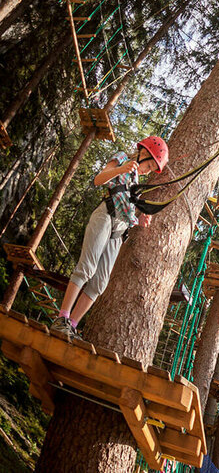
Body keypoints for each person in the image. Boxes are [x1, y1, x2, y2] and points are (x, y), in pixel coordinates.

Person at [50, 136, 168, 339]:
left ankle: (72, 325)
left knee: (100, 283)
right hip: (105, 215)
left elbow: (128, 208)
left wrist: (139, 220)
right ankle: (62, 318)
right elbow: (99, 179)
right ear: (143, 153)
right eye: (148, 165)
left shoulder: (136, 180)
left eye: (150, 169)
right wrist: (122, 169)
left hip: (119, 230)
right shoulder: (122, 159)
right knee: (87, 267)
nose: (147, 171)